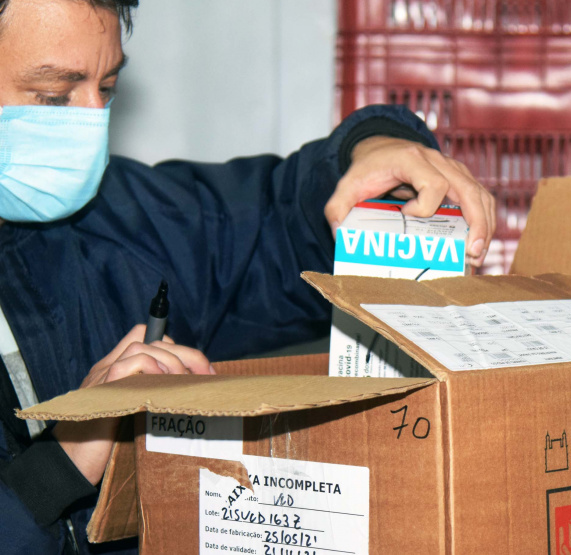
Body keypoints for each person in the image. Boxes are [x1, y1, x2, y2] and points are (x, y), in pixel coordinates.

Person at [0, 0, 496, 553]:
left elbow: (276, 223)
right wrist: (57, 468)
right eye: (52, 97)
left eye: (108, 87)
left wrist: (374, 151)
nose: (91, 120)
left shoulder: (113, 223)